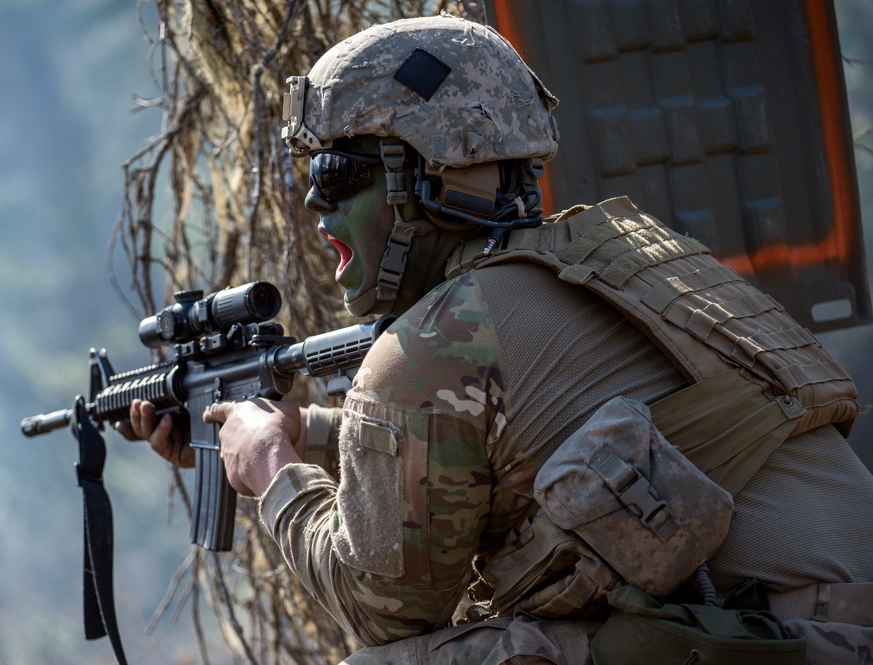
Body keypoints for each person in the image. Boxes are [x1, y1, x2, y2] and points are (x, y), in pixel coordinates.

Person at [118, 15, 873, 664]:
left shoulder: (434, 344)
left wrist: (272, 467)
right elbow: (473, 448)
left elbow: (379, 607)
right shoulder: (624, 259)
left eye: (339, 171)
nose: (316, 203)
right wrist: (306, 430)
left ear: (426, 178)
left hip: (783, 642)